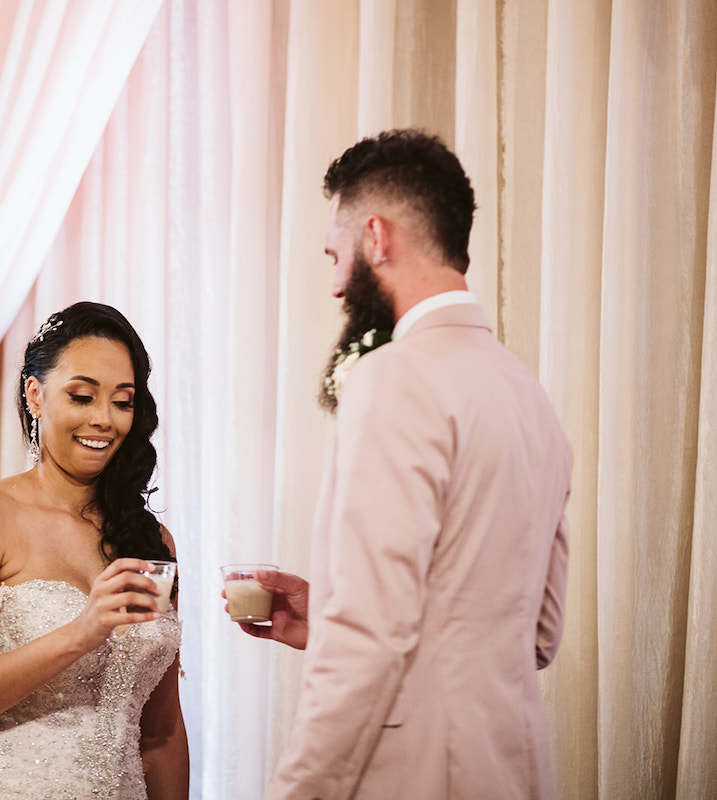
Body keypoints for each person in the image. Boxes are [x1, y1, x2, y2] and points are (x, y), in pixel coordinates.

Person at [235, 130, 574, 799]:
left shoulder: (393, 378)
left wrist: (295, 792)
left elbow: (372, 637)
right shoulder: (529, 394)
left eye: (335, 254)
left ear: (376, 236)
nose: (335, 284)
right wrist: (328, 610)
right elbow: (537, 633)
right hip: (513, 769)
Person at [0, 301, 189, 799]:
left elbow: (163, 730)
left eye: (122, 402)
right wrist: (81, 632)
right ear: (35, 396)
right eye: (82, 396)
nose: (104, 420)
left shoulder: (152, 542)